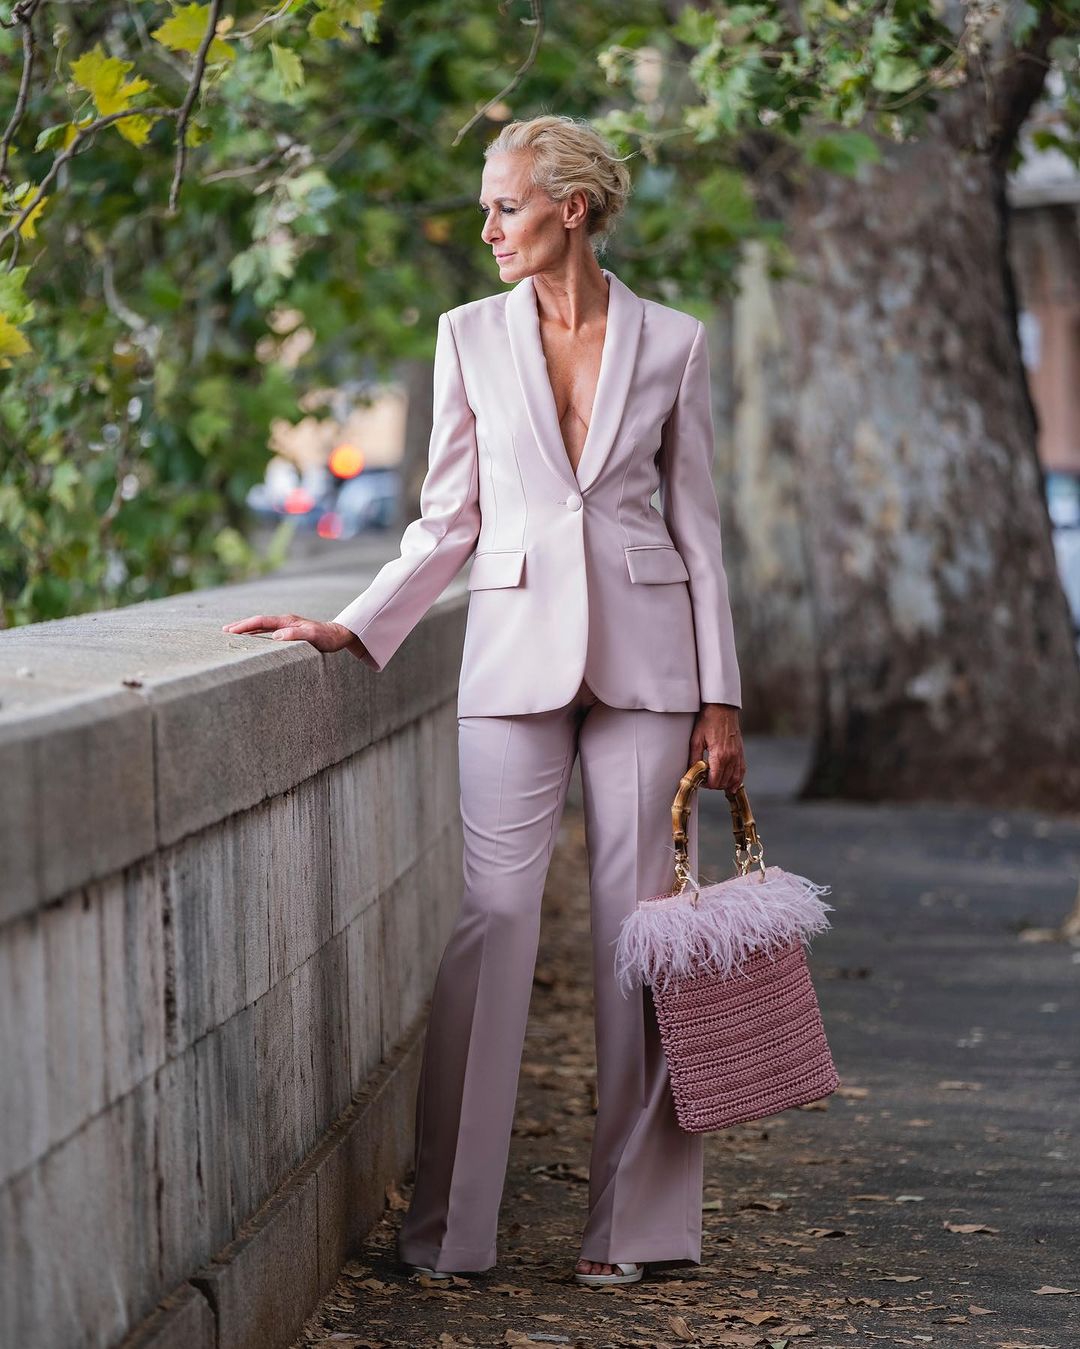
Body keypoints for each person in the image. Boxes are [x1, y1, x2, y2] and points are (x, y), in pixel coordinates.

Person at [222, 113, 746, 1288]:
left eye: (504, 205)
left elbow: (702, 534)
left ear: (570, 207)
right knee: (492, 923)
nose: (486, 226)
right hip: (510, 652)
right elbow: (447, 516)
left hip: (652, 665)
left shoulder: (672, 340)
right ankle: (451, 1230)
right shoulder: (467, 335)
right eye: (484, 205)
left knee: (643, 938)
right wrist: (356, 621)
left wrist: (725, 700)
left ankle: (635, 1228)